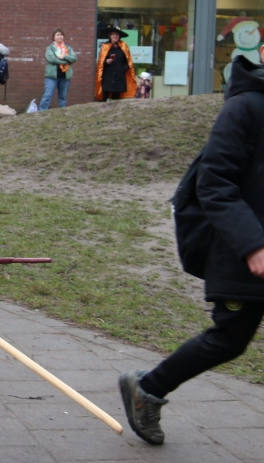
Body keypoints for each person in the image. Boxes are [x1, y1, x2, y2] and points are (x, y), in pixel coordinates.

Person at [118, 45, 264, 447]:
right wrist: (253, 245)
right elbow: (214, 184)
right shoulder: (246, 108)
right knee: (230, 337)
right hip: (242, 248)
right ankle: (147, 389)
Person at [39, 29, 77, 111]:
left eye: (61, 35)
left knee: (63, 96)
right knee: (47, 96)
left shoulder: (68, 48)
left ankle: (62, 112)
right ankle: (41, 112)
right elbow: (51, 59)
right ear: (53, 37)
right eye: (58, 35)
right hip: (52, 76)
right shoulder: (50, 48)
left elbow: (74, 58)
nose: (60, 36)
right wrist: (66, 62)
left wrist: (64, 57)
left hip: (65, 76)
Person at [96, 26, 136, 101]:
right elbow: (100, 62)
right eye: (113, 34)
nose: (115, 36)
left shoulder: (124, 46)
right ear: (110, 36)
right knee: (104, 97)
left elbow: (128, 61)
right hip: (107, 76)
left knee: (116, 98)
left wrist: (122, 69)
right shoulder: (105, 46)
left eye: (117, 34)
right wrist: (106, 61)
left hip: (119, 77)